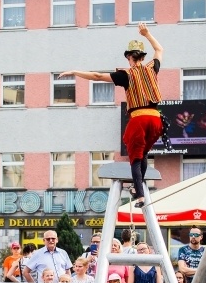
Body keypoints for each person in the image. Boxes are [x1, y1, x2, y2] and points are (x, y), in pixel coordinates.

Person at [59, 22, 163, 207]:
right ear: (142, 56)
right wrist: (147, 34)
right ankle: (140, 188)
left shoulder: (126, 74)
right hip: (156, 118)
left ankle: (140, 195)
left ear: (129, 57)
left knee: (135, 157)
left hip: (139, 118)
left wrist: (75, 71)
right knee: (144, 154)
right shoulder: (152, 68)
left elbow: (97, 76)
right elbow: (159, 49)